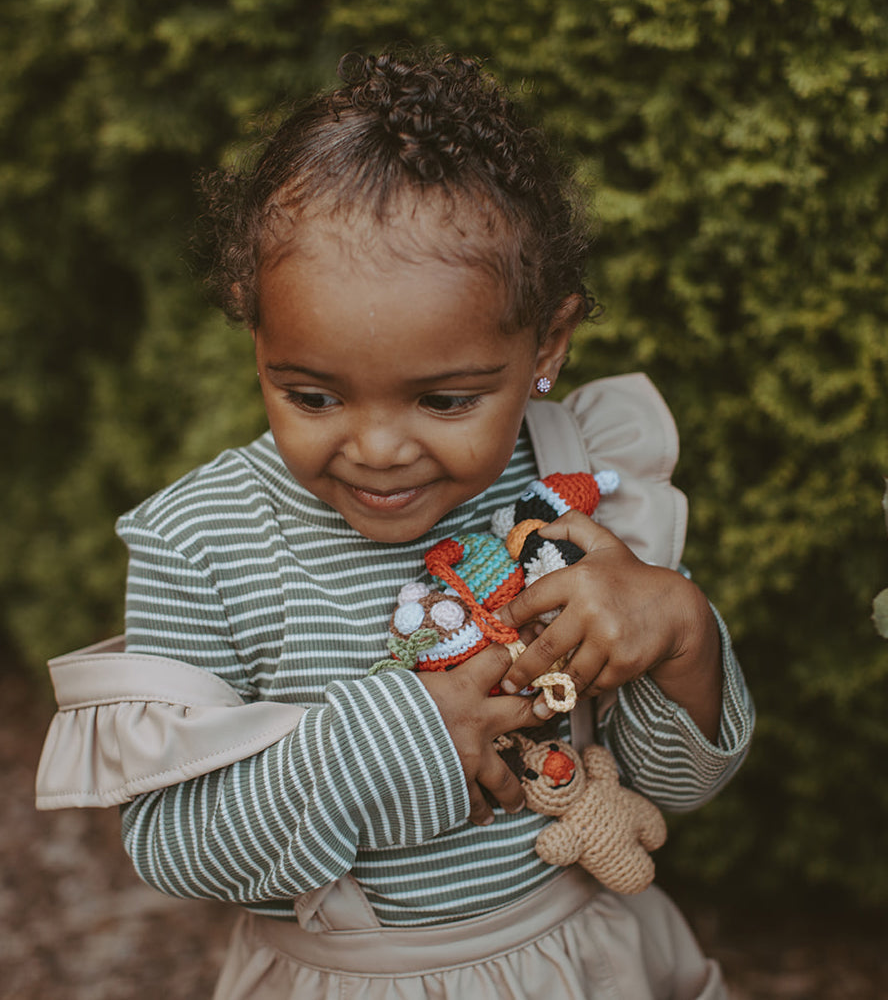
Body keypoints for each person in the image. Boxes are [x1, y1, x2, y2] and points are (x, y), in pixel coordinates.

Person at [36, 49, 753, 999]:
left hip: (579, 959)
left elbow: (672, 787)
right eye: (313, 393)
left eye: (445, 400)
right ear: (255, 327)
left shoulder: (567, 489)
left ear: (547, 343)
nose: (376, 448)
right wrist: (396, 736)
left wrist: (682, 633)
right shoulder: (204, 541)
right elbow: (174, 845)